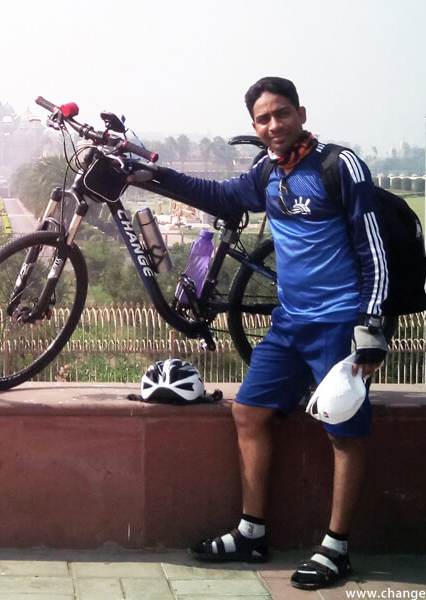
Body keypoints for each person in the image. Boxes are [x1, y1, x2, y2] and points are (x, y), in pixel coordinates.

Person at [135, 76, 389, 590]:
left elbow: (373, 248)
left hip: (339, 323)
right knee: (248, 412)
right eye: (263, 119)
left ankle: (336, 548)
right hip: (289, 322)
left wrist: (372, 323)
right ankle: (252, 533)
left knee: (344, 431)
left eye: (281, 114)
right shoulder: (267, 172)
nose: (274, 125)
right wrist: (154, 175)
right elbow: (217, 194)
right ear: (254, 126)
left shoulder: (339, 165)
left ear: (300, 113)